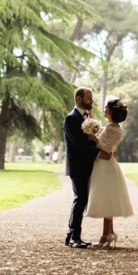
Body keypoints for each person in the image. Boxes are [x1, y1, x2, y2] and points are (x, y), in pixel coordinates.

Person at [85, 96, 134, 248]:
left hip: (105, 165)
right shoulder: (114, 127)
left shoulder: (111, 128)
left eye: (106, 108)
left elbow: (106, 148)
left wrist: (93, 138)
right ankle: (109, 233)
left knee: (106, 199)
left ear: (112, 111)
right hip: (108, 165)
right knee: (108, 199)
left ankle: (106, 236)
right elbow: (110, 147)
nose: (104, 109)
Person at [63, 87, 97, 249]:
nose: (92, 100)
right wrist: (99, 148)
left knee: (81, 199)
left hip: (85, 165)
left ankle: (71, 235)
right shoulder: (71, 118)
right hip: (77, 166)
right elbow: (80, 145)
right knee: (80, 199)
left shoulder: (86, 117)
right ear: (78, 100)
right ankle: (73, 236)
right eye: (89, 98)